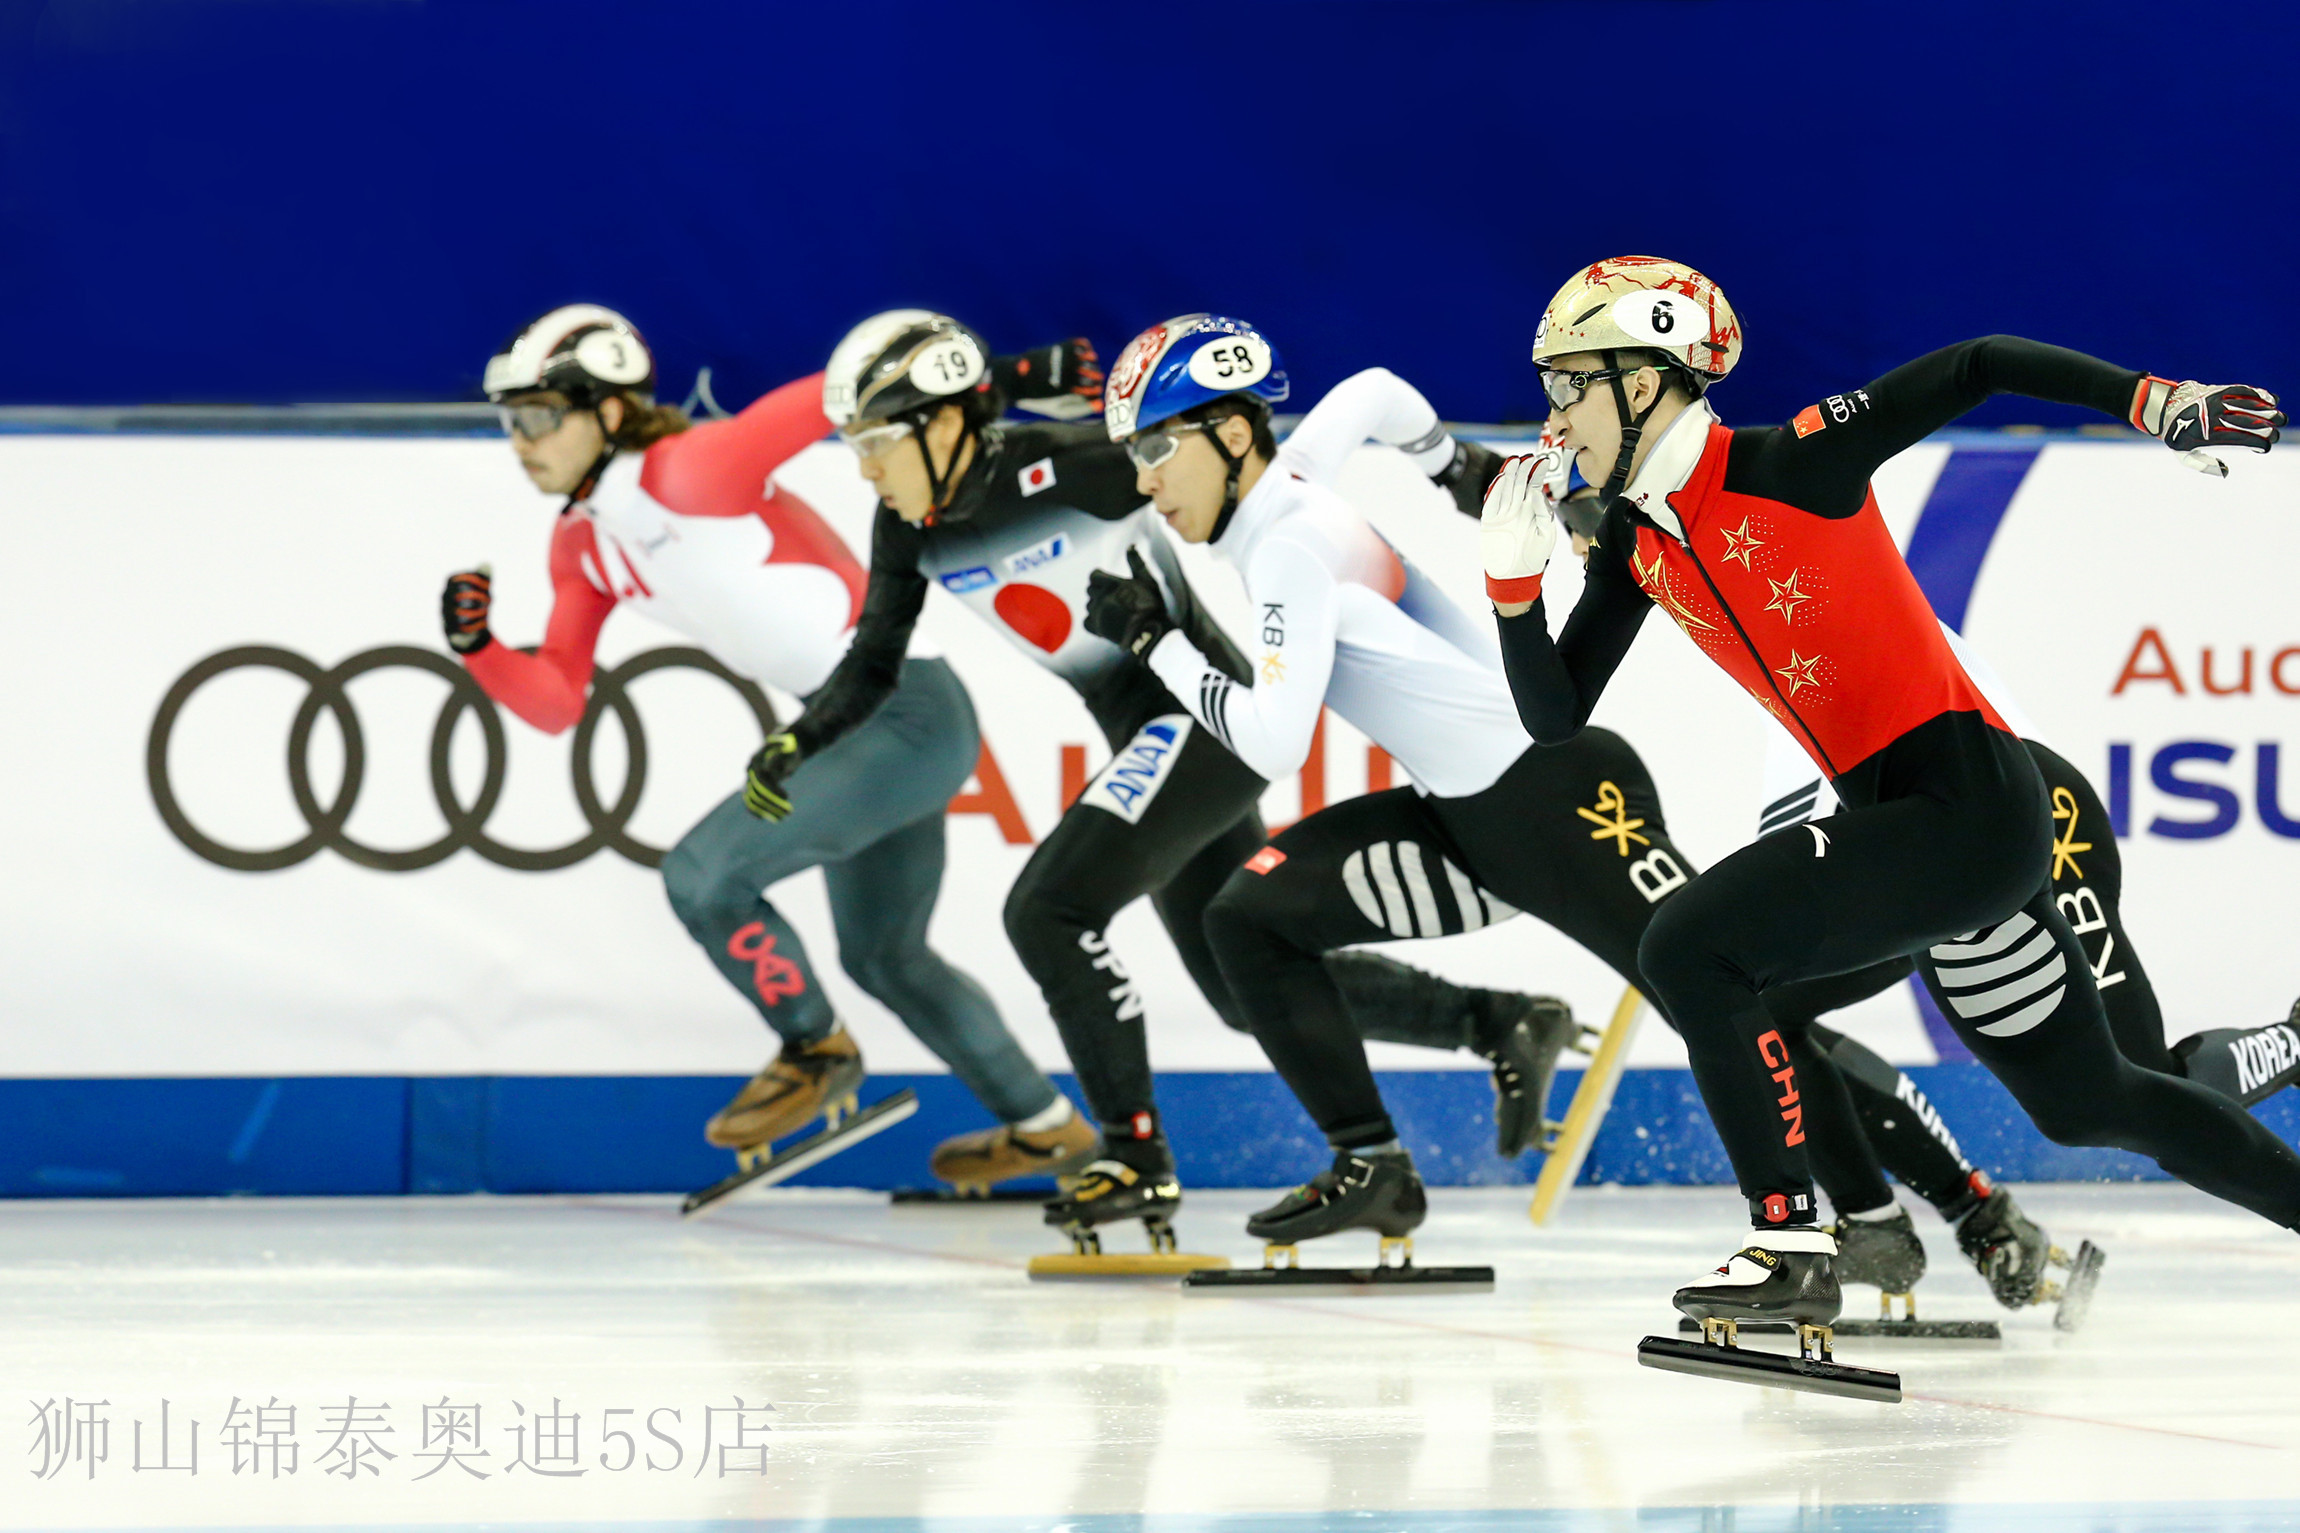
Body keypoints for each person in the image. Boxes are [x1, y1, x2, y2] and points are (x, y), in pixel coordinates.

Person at [1482, 255, 2294, 1342]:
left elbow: (1978, 362)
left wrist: (2155, 403)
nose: (1553, 415)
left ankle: (1788, 1241)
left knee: (1687, 949)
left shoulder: (1790, 462)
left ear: (1644, 384)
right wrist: (1509, 592)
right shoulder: (1633, 546)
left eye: (1567, 383)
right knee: (2090, 1101)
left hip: (1969, 804)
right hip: (1916, 837)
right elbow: (1555, 717)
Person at [751, 309, 1575, 1251]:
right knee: (1235, 987)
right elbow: (871, 664)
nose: (863, 469)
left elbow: (1173, 453)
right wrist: (798, 740)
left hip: (1199, 717)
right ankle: (1502, 1021)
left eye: (875, 444)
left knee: (1046, 911)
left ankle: (1134, 1156)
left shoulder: (1066, 465)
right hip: (1157, 734)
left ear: (943, 425)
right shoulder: (906, 528)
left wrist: (1019, 383)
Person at [1088, 314, 1715, 1257]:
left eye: (1154, 446)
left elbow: (1271, 738)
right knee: (1245, 918)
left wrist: (1155, 644)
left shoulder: (1285, 552)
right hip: (1468, 819)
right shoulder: (1292, 476)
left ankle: (1949, 1199)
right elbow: (1376, 386)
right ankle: (1372, 1162)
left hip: (1554, 803)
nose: (1143, 479)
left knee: (1726, 997)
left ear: (1228, 434)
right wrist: (1451, 465)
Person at [444, 303, 1089, 1188]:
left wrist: (1008, 378)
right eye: (510, 420)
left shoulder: (687, 471)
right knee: (885, 956)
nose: (521, 440)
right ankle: (1046, 1126)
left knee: (704, 876)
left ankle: (815, 1048)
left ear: (612, 410)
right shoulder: (581, 544)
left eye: (539, 415)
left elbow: (833, 395)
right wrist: (480, 653)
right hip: (853, 723)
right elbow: (558, 702)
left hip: (905, 715)